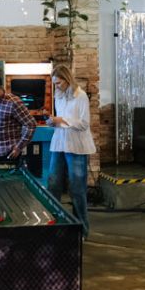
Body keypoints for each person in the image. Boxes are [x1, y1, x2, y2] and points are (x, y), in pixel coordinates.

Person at [45, 65, 96, 226]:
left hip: (76, 146)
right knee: (53, 183)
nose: (56, 87)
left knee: (77, 189)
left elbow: (84, 124)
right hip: (59, 143)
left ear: (67, 80)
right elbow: (60, 120)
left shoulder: (81, 96)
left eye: (58, 83)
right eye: (54, 83)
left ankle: (81, 227)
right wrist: (53, 122)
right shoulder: (58, 96)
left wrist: (62, 120)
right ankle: (54, 222)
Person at [0, 72, 36, 167]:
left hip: (8, 152)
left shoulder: (14, 103)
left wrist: (19, 147)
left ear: (1, 88)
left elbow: (31, 124)